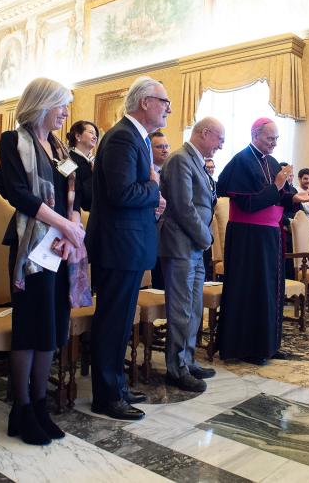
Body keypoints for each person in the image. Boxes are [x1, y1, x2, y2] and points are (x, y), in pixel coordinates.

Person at [0, 77, 87, 445]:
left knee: (52, 326)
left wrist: (71, 230)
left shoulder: (60, 149)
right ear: (41, 104)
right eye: (61, 105)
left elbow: (73, 197)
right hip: (31, 248)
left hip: (58, 247)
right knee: (31, 328)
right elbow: (16, 192)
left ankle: (40, 407)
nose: (66, 112)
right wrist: (64, 225)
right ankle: (22, 408)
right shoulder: (14, 141)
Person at [86, 76, 167, 420]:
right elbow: (120, 194)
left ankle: (116, 385)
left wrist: (151, 200)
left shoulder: (137, 137)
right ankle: (106, 396)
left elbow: (131, 193)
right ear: (145, 102)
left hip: (129, 243)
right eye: (164, 102)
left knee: (120, 322)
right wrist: (153, 190)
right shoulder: (122, 137)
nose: (167, 109)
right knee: (112, 321)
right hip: (119, 245)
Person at [215, 118, 309, 365]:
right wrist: (278, 185)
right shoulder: (241, 161)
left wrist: (295, 198)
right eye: (270, 139)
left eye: (277, 139)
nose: (274, 144)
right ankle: (247, 348)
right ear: (255, 134)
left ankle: (269, 344)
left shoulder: (270, 162)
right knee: (252, 290)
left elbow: (282, 197)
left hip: (270, 236)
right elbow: (249, 203)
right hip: (248, 238)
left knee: (271, 290)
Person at [159, 117, 224, 392]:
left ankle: (188, 360)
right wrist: (206, 237)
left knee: (195, 308)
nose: (221, 146)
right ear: (205, 133)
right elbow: (183, 206)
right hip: (180, 245)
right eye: (219, 139)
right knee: (181, 309)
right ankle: (176, 368)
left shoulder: (196, 161)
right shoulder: (179, 160)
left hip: (194, 246)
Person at [150, 130, 171, 288]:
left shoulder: (170, 172)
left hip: (170, 231)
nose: (165, 150)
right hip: (153, 230)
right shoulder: (146, 172)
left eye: (166, 146)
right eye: (159, 147)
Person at [66, 120, 99, 211]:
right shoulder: (68, 161)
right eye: (91, 132)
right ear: (78, 136)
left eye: (96, 134)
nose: (95, 137)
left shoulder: (95, 161)